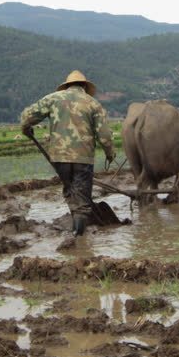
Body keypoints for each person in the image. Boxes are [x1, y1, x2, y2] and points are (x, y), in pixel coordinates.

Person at [20, 70, 116, 236]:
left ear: (67, 85)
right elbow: (105, 136)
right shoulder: (93, 104)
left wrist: (25, 128)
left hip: (59, 158)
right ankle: (79, 240)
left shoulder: (52, 98)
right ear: (84, 86)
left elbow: (27, 116)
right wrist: (110, 153)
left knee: (71, 191)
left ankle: (75, 229)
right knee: (82, 198)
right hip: (83, 159)